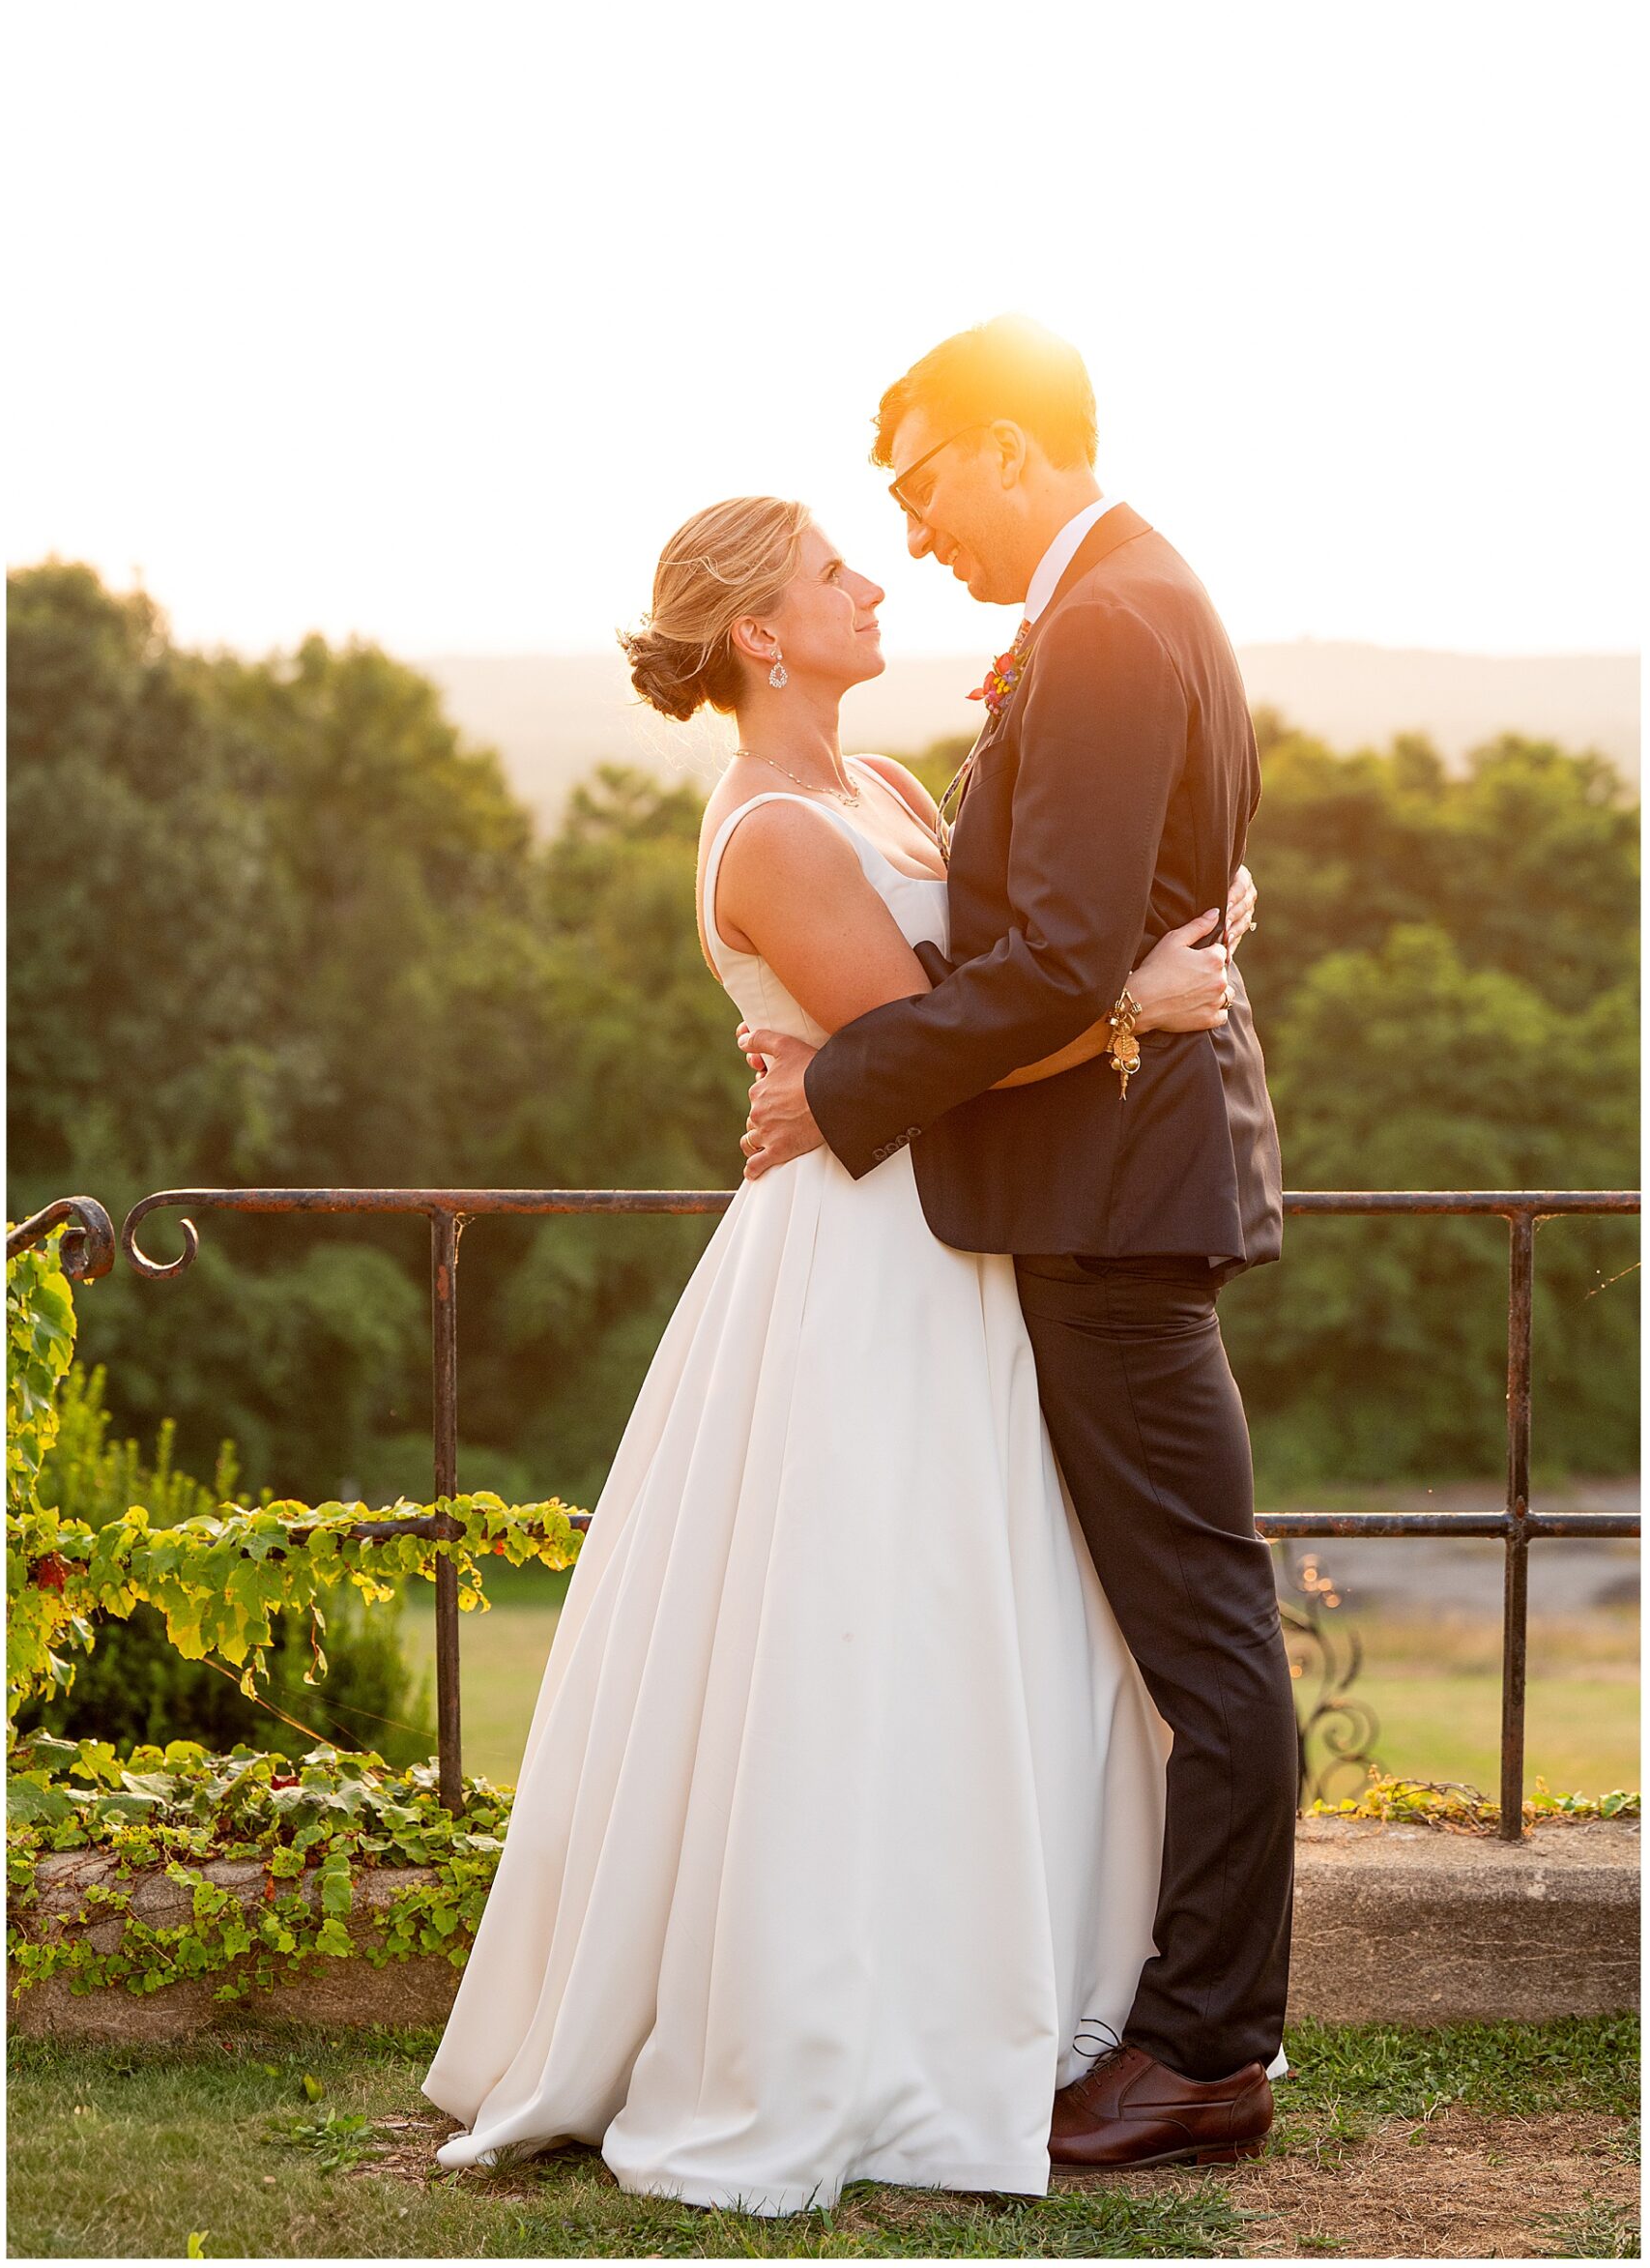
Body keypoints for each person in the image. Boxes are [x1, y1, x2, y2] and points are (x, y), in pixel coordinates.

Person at [422, 491, 1263, 2213]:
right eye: (829, 572)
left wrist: (1165, 911)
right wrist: (1131, 1004)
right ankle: (839, 2014)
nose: (867, 586)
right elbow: (932, 1043)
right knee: (860, 1630)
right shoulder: (776, 833)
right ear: (756, 632)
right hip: (865, 1257)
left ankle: (1002, 1986)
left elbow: (1003, 955)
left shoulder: (877, 787)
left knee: (987, 1620)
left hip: (954, 1231)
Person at [742, 316, 1295, 2173]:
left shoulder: (1112, 621)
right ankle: (1151, 2011)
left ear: (998, 447)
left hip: (1114, 1197)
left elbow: (1061, 957)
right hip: (1109, 1174)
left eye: (916, 483)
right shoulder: (1125, 605)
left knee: (1200, 1631)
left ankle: (1206, 2050)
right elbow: (1124, 916)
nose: (914, 530)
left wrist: (838, 1084)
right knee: (1160, 1623)